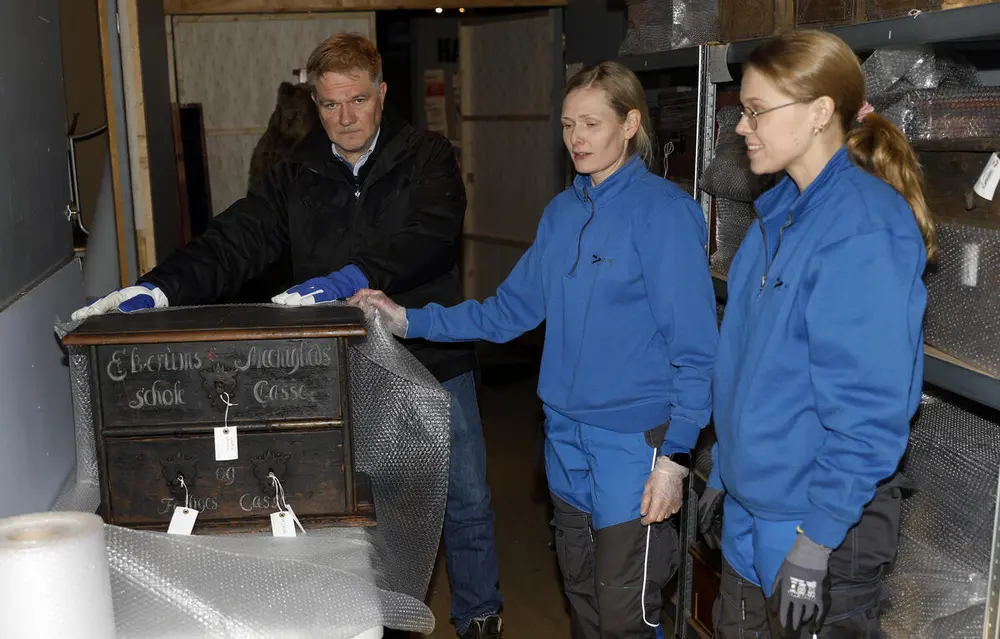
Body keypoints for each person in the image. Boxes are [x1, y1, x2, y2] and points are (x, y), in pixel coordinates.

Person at [71, 33, 505, 639]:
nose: (345, 118)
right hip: (342, 369)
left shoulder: (428, 156)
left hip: (432, 353)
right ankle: (374, 619)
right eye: (330, 106)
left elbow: (429, 235)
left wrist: (353, 277)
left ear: (381, 94)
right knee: (357, 505)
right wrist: (158, 289)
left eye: (357, 101)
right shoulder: (296, 172)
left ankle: (480, 616)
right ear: (315, 104)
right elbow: (236, 241)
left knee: (465, 497)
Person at [351, 60, 718, 639]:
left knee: (626, 614)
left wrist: (675, 458)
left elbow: (697, 350)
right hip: (564, 437)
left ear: (629, 125)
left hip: (632, 444)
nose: (576, 138)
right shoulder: (562, 213)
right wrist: (407, 319)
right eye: (569, 124)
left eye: (592, 124)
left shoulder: (664, 215)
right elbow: (505, 313)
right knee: (584, 601)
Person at [699, 30, 936, 638]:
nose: (742, 128)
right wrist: (725, 467)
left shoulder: (862, 228)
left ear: (819, 113)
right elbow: (749, 367)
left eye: (756, 112)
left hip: (820, 528)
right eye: (741, 112)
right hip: (756, 510)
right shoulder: (774, 218)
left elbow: (867, 412)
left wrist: (817, 540)